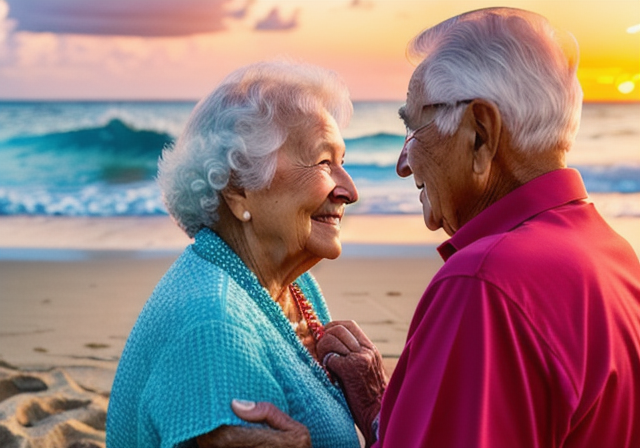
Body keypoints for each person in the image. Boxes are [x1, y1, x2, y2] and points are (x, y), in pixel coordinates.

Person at [232, 7, 640, 448]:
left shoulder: (484, 285)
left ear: (479, 134)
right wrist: (378, 413)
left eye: (415, 128)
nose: (403, 163)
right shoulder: (613, 255)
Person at [105, 60, 362, 448]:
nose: (349, 190)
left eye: (342, 162)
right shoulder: (216, 328)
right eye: (324, 162)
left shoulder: (294, 285)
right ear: (238, 188)